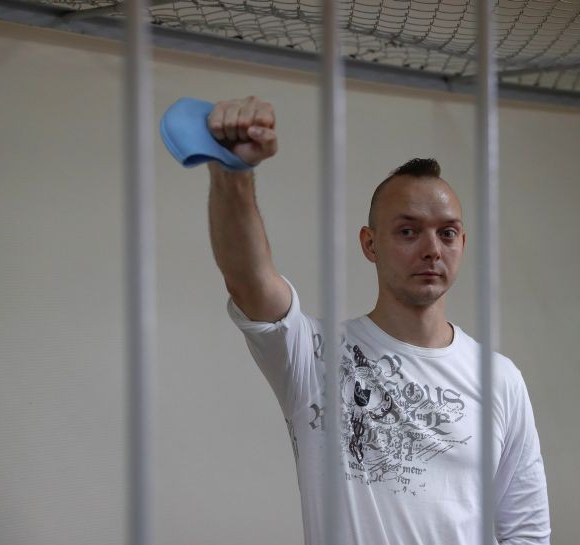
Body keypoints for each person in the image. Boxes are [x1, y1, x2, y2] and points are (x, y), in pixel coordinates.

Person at [206, 96, 551, 544]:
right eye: (408, 231)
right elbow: (248, 280)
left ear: (462, 243)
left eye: (446, 233)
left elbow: (526, 531)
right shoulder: (315, 356)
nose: (432, 249)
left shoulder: (499, 378)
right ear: (370, 244)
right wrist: (233, 173)